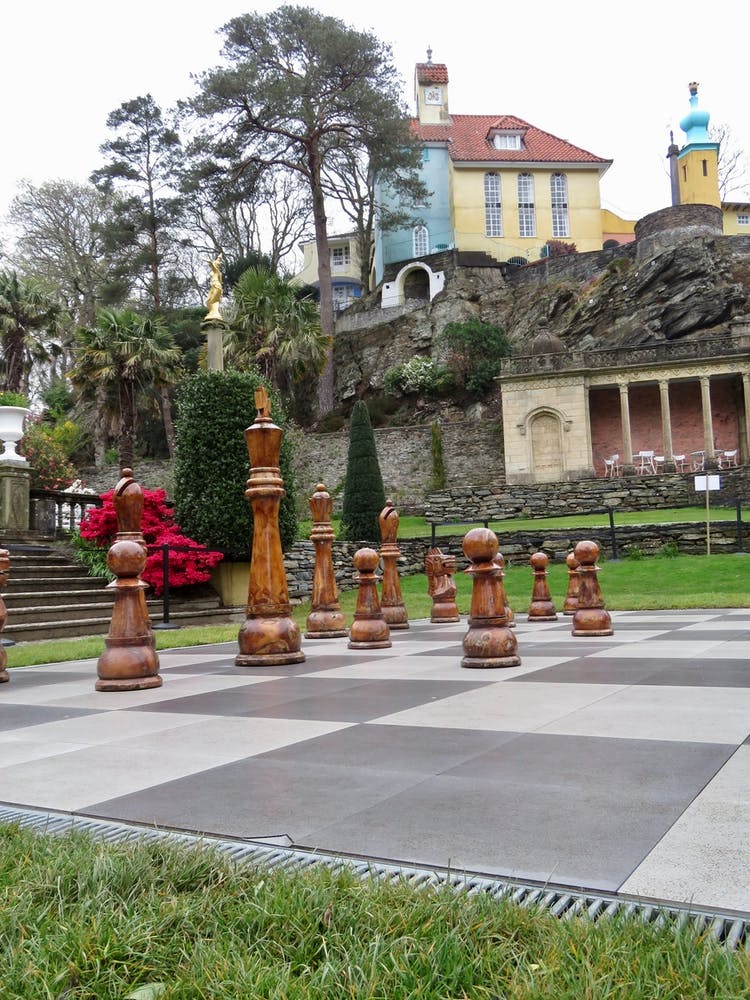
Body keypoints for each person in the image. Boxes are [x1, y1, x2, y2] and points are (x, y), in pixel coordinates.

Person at [205, 252, 223, 320]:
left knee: (212, 300)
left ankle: (214, 313)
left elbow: (213, 267)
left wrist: (210, 262)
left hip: (217, 286)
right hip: (214, 287)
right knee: (209, 301)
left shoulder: (217, 272)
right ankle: (213, 312)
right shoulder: (217, 272)